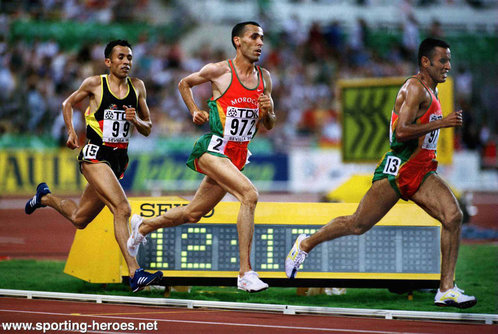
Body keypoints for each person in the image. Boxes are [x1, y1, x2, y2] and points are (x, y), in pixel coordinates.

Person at [285, 38, 477, 309]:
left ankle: (446, 289)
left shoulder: (432, 93)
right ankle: (305, 244)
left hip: (421, 170)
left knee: (453, 216)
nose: (448, 65)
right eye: (442, 60)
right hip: (398, 169)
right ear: (425, 62)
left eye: (449, 60)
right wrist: (443, 123)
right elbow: (400, 132)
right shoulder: (414, 88)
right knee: (358, 224)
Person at [127, 21, 276, 292]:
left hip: (238, 155)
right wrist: (194, 109)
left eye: (262, 38)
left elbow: (268, 125)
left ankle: (142, 227)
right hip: (214, 149)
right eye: (254, 37)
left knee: (194, 213)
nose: (260, 43)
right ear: (238, 42)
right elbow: (184, 83)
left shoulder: (264, 78)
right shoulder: (219, 71)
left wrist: (269, 111)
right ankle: (245, 273)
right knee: (249, 195)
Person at [25, 40, 163, 292]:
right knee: (122, 208)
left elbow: (148, 128)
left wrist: (137, 121)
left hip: (118, 159)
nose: (126, 62)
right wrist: (70, 132)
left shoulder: (138, 87)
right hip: (94, 154)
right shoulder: (94, 84)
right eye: (120, 57)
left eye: (129, 57)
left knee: (80, 218)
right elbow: (67, 104)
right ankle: (136, 273)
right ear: (108, 62)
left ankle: (44, 198)